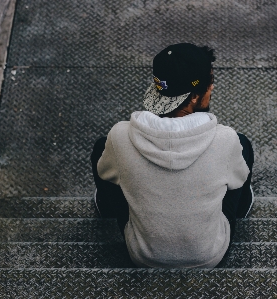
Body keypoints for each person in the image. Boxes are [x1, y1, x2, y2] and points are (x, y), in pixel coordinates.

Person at [91, 43, 254, 268]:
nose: (212, 88)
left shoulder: (119, 136)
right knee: (244, 147)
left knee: (103, 149)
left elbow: (104, 172)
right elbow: (238, 179)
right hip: (208, 255)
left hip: (142, 254)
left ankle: (105, 207)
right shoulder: (226, 140)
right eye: (211, 82)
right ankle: (244, 207)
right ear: (196, 96)